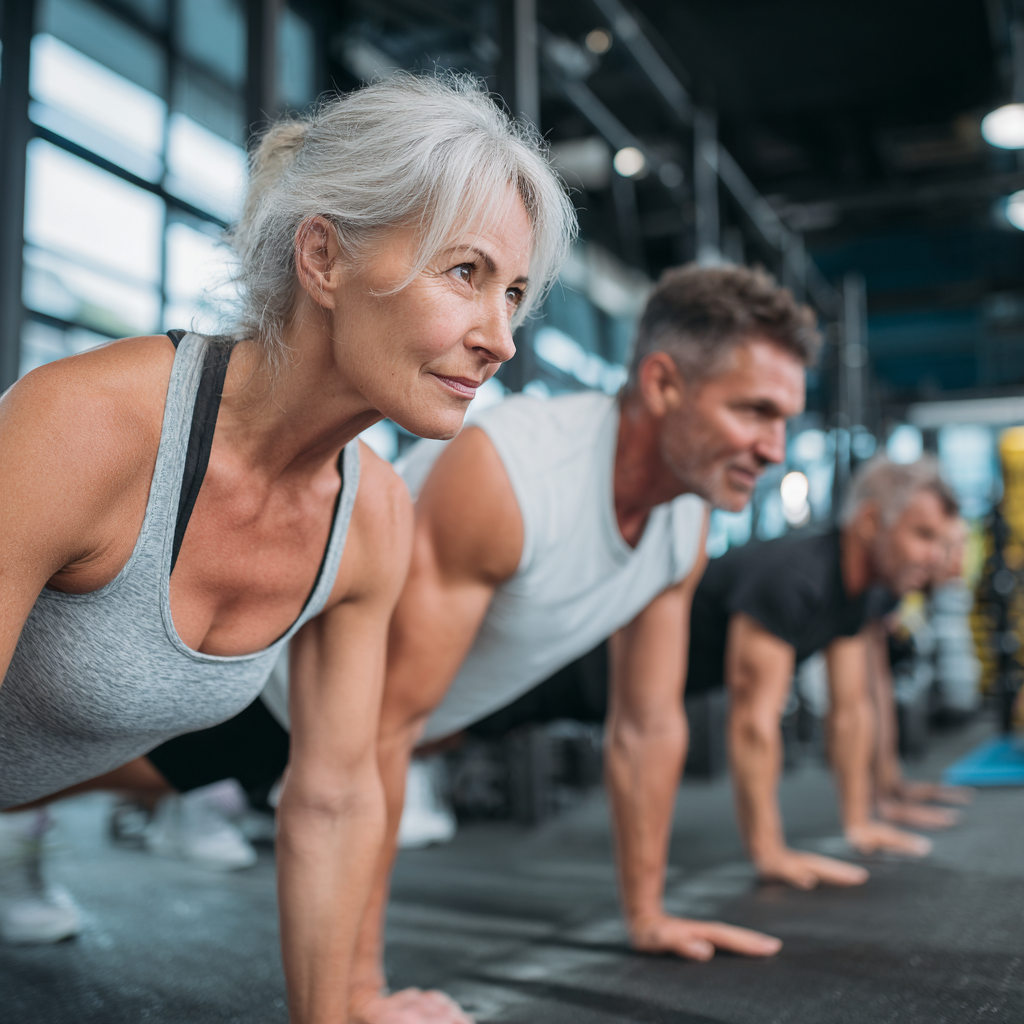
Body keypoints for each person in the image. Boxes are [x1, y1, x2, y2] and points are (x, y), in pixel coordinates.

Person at [0, 72, 575, 1024]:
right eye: (466, 274)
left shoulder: (373, 519)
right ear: (323, 257)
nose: (502, 339)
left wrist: (343, 1012)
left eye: (513, 293)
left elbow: (336, 796)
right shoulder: (89, 426)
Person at [685, 456, 961, 893]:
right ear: (870, 521)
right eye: (924, 535)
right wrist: (770, 852)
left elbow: (850, 708)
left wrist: (860, 823)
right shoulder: (795, 576)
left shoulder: (863, 593)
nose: (936, 557)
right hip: (582, 673)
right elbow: (753, 722)